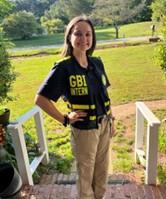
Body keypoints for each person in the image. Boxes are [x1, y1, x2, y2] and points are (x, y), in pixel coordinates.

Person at [35, 15, 115, 199]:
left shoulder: (97, 63)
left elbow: (105, 95)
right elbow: (40, 99)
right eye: (78, 34)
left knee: (102, 171)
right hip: (84, 130)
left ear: (93, 38)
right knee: (86, 175)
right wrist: (64, 118)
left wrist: (112, 119)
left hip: (104, 124)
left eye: (88, 34)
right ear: (69, 37)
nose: (83, 39)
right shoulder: (63, 68)